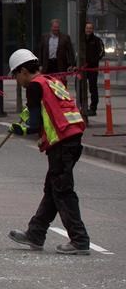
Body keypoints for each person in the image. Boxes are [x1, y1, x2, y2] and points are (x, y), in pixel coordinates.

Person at [6, 48, 91, 255]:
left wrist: (21, 129)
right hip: (72, 139)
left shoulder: (34, 86)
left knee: (62, 191)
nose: (17, 80)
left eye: (16, 75)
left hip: (61, 143)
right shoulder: (51, 81)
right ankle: (35, 233)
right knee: (53, 189)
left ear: (24, 70)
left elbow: (35, 123)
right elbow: (44, 110)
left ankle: (79, 240)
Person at [82, 22, 104, 116]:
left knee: (93, 88)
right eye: (87, 28)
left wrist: (92, 62)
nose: (88, 30)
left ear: (93, 29)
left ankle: (93, 108)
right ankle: (82, 106)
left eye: (90, 28)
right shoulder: (81, 40)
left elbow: (101, 53)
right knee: (80, 88)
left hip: (92, 69)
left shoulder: (97, 40)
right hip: (82, 69)